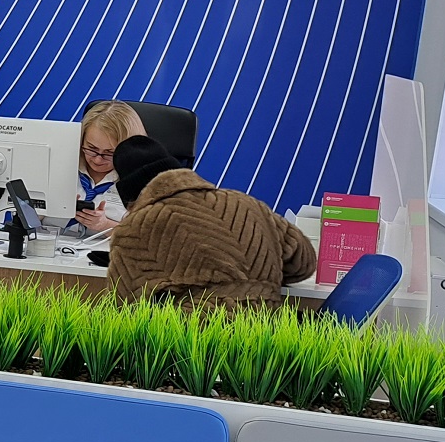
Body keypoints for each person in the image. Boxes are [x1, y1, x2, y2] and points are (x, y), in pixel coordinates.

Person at [105, 137, 316, 306]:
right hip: (267, 336)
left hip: (188, 338)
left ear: (129, 193)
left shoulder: (136, 228)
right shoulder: (247, 203)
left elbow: (124, 305)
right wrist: (253, 278)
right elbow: (304, 264)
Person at [74, 99, 146, 234]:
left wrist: (105, 225)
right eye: (91, 148)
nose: (97, 159)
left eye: (110, 153)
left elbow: (147, 237)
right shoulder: (61, 165)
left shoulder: (144, 182)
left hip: (110, 247)